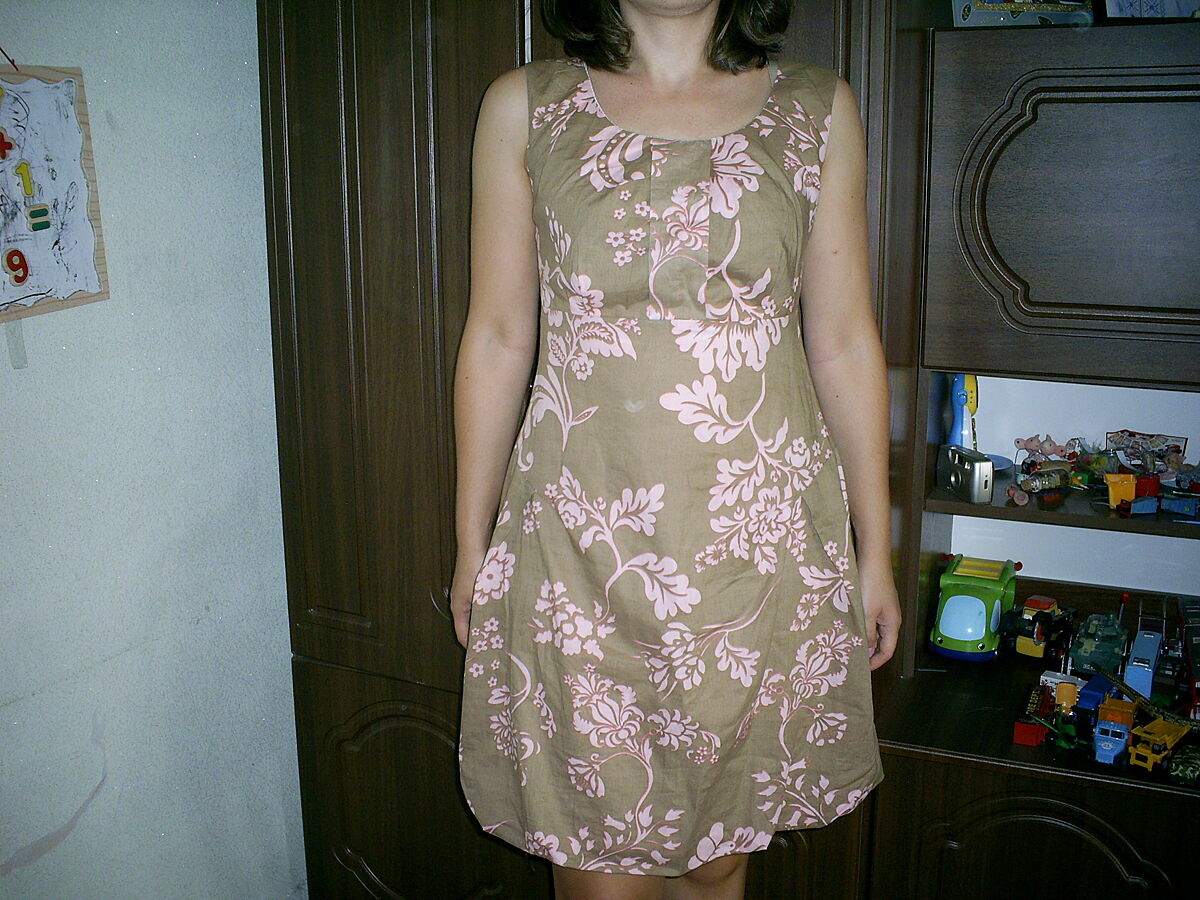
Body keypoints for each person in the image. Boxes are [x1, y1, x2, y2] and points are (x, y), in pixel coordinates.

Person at [451, 1, 901, 897]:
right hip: (578, 555)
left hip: (757, 555)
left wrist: (875, 551)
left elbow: (845, 341)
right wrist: (472, 544)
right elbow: (498, 335)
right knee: (599, 865)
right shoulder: (524, 107)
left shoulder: (817, 109)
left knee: (718, 861)